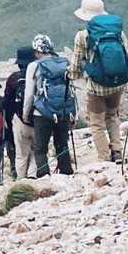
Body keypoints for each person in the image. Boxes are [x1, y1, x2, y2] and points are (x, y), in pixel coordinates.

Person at [69, 0, 128, 163]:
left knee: (97, 122)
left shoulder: (83, 36)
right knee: (112, 116)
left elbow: (76, 65)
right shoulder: (118, 33)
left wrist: (73, 76)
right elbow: (126, 56)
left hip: (96, 87)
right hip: (117, 84)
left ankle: (104, 158)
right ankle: (117, 152)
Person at [23, 34, 75, 177]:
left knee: (40, 148)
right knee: (62, 145)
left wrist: (26, 114)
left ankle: (44, 176)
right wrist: (73, 113)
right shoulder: (64, 63)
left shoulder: (34, 66)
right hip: (63, 111)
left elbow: (29, 94)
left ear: (37, 51)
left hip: (42, 113)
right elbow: (71, 89)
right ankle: (66, 174)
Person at [2, 46, 36, 179]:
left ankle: (20, 179)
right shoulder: (39, 75)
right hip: (38, 120)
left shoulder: (13, 79)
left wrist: (8, 123)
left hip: (20, 122)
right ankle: (33, 177)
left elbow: (6, 103)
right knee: (36, 151)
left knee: (21, 154)